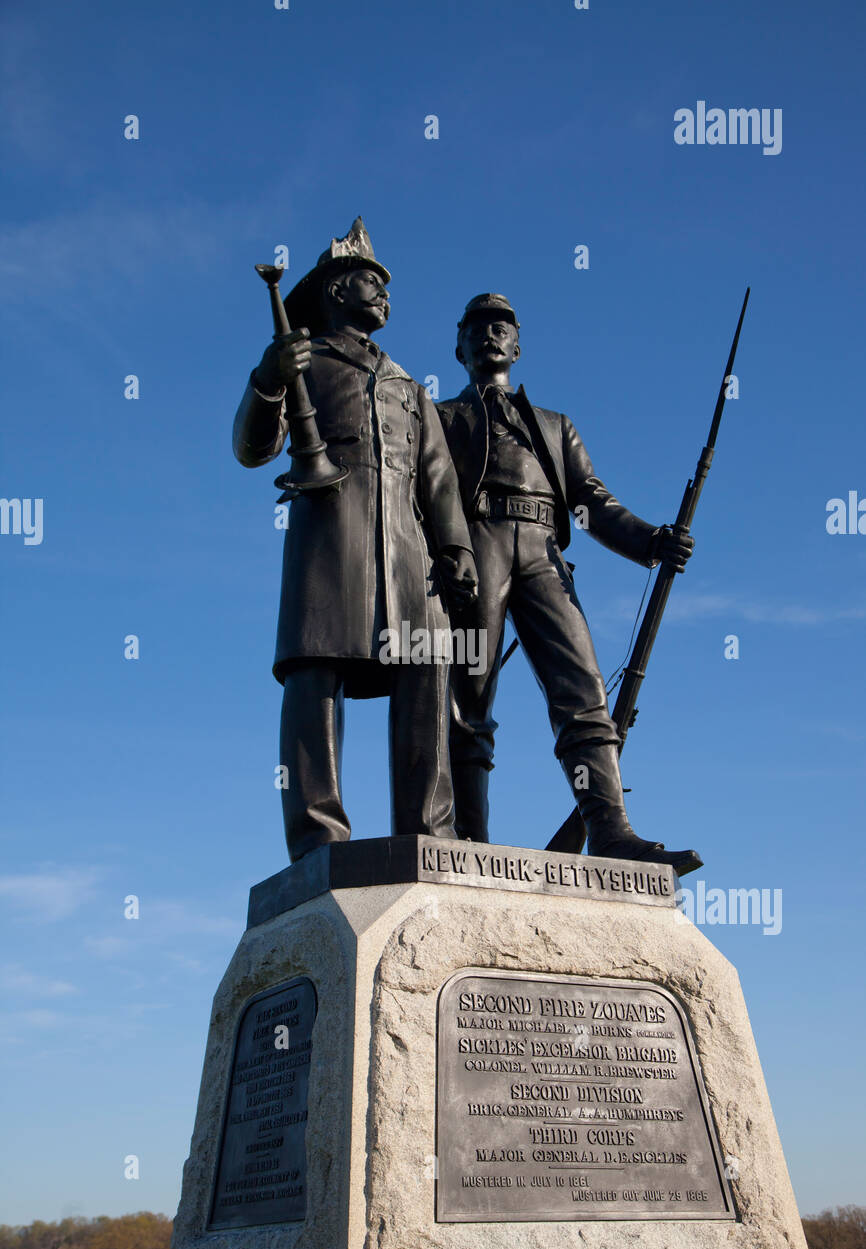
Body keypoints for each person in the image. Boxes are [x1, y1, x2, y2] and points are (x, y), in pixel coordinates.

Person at [233, 219, 477, 861]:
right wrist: (267, 377)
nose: (384, 296)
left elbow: (439, 478)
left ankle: (431, 833)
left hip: (408, 556)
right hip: (329, 544)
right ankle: (318, 838)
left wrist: (455, 550)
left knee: (428, 671)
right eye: (371, 283)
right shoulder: (301, 359)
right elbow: (253, 450)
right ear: (337, 290)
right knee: (315, 676)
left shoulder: (407, 385)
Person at [436, 293, 699, 873]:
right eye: (477, 327)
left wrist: (651, 541)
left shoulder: (555, 427)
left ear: (518, 345)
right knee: (467, 699)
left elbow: (592, 502)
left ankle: (610, 833)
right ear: (458, 346)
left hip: (544, 554)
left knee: (584, 693)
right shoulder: (440, 419)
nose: (490, 334)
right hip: (475, 544)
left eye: (502, 326)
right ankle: (468, 845)